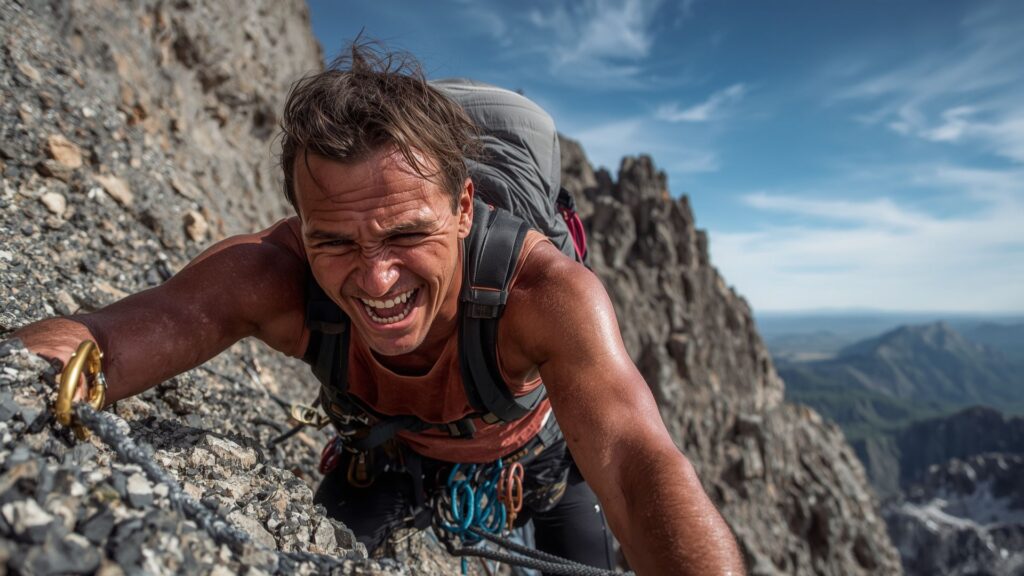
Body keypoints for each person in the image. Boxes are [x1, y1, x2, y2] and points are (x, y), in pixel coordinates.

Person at [12, 41, 745, 575]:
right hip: (391, 459)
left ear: (464, 209)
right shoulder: (273, 273)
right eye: (334, 240)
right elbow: (100, 341)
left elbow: (632, 459)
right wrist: (17, 384)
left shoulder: (541, 295)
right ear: (299, 222)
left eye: (405, 233)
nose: (376, 277)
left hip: (544, 468)